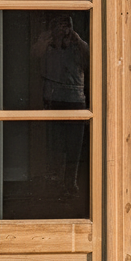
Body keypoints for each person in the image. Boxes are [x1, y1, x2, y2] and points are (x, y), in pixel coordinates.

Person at [31, 15, 89, 197]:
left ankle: (70, 183)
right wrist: (47, 39)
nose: (64, 31)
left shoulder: (78, 48)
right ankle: (55, 184)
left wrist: (77, 40)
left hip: (76, 102)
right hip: (53, 101)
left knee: (74, 147)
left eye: (68, 27)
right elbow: (33, 56)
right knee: (54, 146)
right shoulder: (47, 47)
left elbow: (91, 60)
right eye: (60, 27)